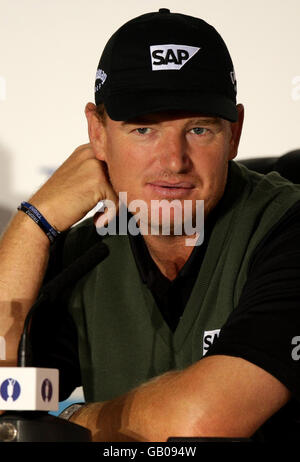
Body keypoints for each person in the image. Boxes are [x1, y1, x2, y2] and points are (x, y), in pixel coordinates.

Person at [1, 8, 300, 442]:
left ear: (234, 134)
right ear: (97, 133)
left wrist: (67, 425)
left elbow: (205, 422)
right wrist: (34, 223)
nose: (174, 161)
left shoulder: (286, 228)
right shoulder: (81, 256)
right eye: (144, 130)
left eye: (199, 129)